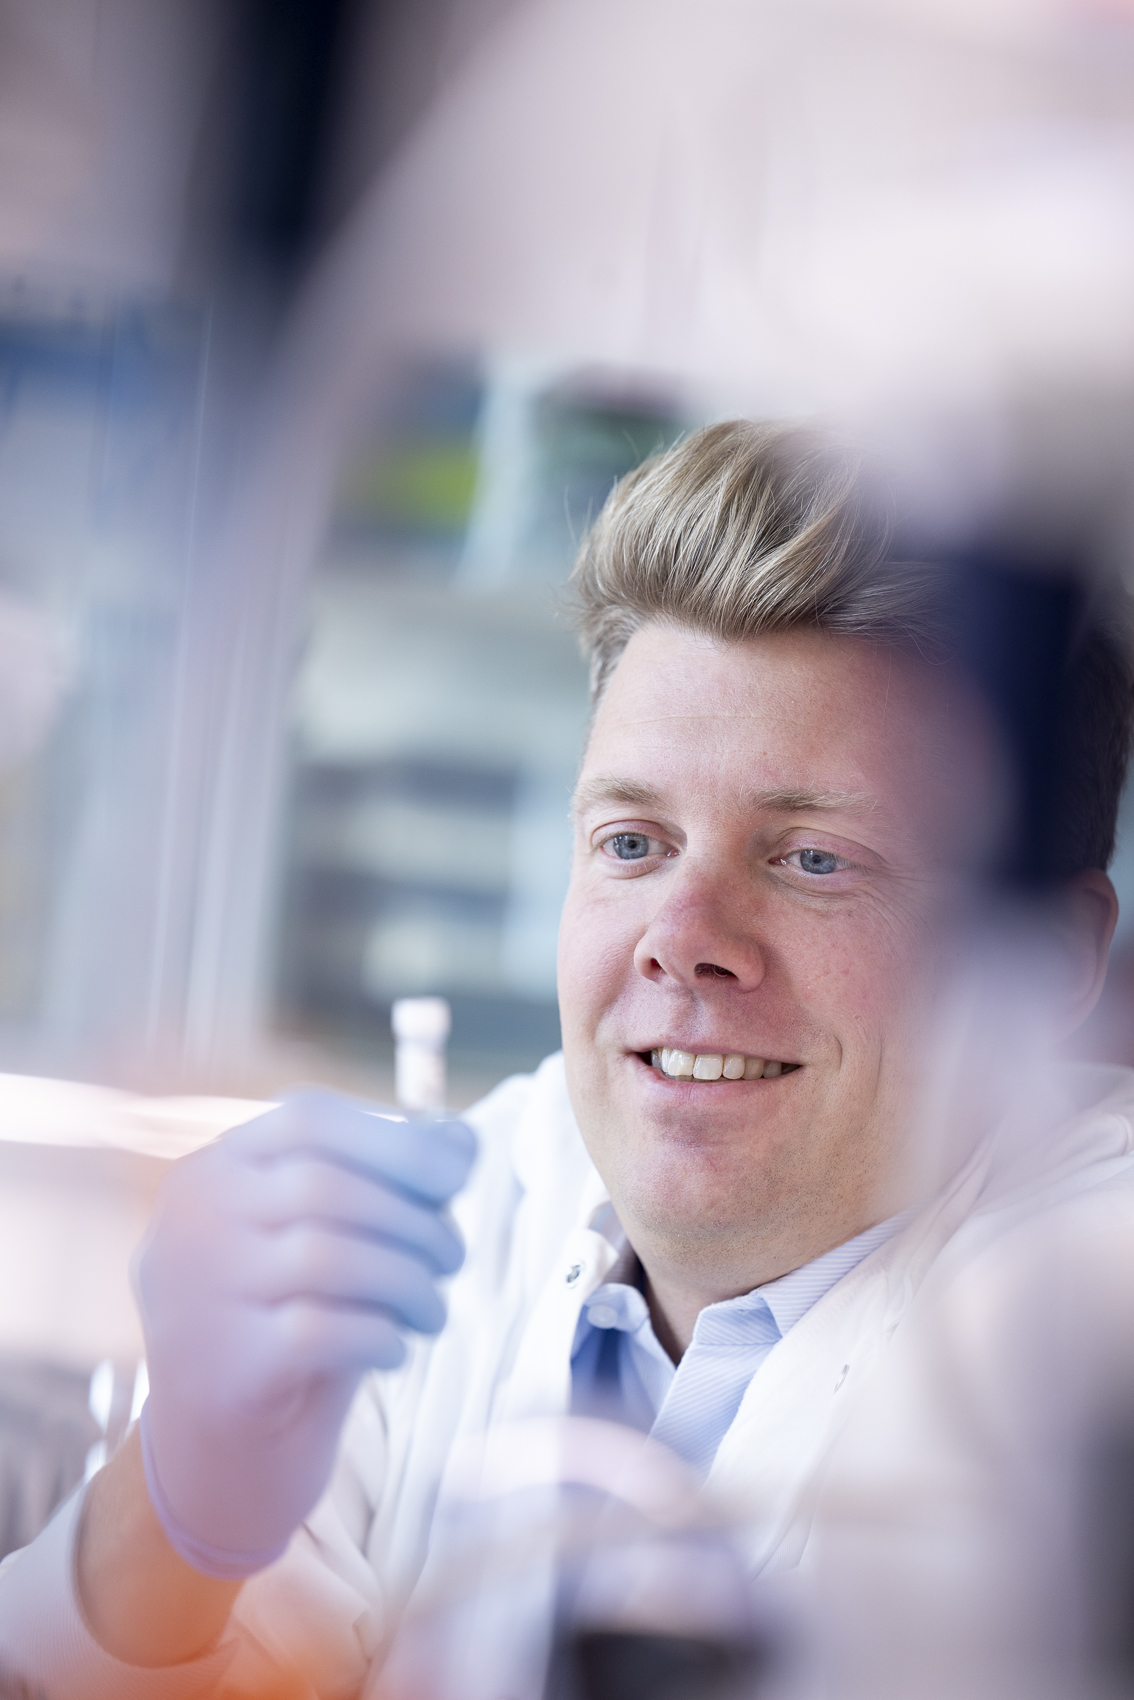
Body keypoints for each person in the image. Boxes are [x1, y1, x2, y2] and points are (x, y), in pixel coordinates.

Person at [0, 420, 1131, 1698]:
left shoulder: (1091, 1320)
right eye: (634, 842)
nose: (681, 939)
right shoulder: (469, 1208)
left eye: (814, 858)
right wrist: (181, 1496)